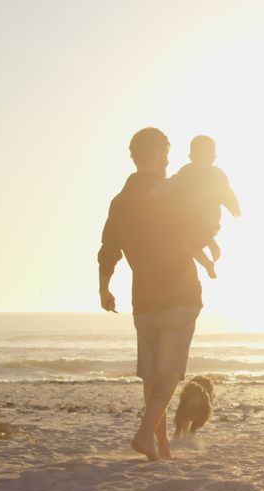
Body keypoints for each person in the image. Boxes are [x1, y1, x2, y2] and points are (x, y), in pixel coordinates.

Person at [98, 127, 204, 461]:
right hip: (179, 293)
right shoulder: (168, 193)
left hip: (143, 298)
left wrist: (104, 288)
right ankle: (146, 435)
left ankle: (160, 447)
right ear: (157, 153)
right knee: (169, 374)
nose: (168, 161)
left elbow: (108, 249)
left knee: (151, 373)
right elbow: (194, 231)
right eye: (167, 154)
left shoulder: (120, 201)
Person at [150, 135, 241, 279]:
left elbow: (227, 192)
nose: (202, 161)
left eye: (205, 156)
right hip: (199, 218)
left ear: (213, 158)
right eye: (200, 156)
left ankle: (208, 256)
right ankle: (209, 250)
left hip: (203, 217)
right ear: (191, 157)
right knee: (190, 240)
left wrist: (233, 206)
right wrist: (156, 190)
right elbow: (173, 183)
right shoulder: (191, 172)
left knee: (188, 243)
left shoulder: (213, 173)